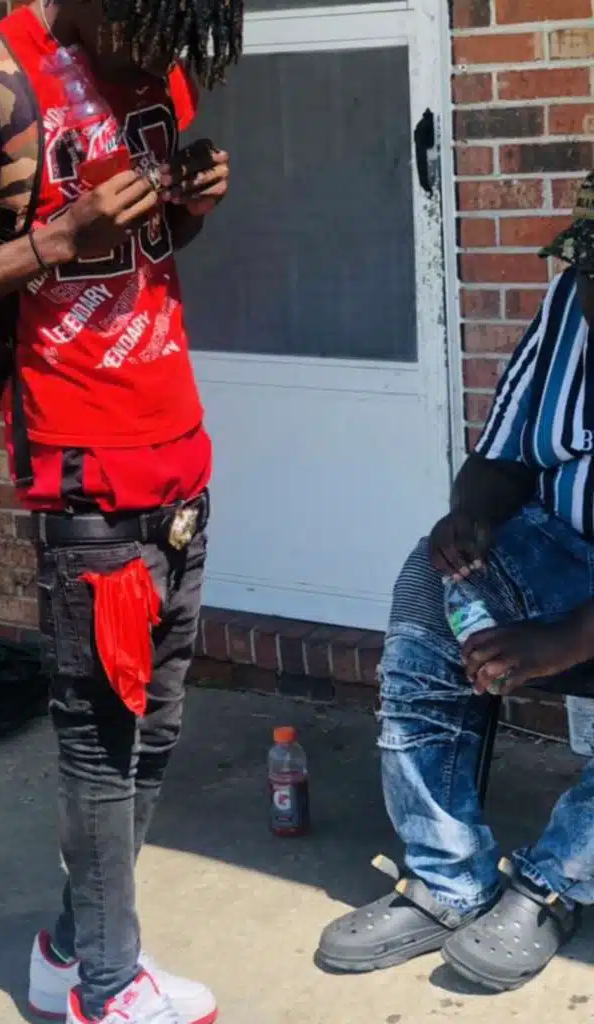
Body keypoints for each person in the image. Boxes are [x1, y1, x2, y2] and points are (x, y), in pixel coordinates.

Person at [0, 0, 242, 1020]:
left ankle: (73, 950)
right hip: (85, 471)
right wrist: (54, 239)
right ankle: (106, 990)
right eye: (146, 28)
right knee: (100, 744)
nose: (158, 58)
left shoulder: (158, 57)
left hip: (179, 451)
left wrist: (191, 205)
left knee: (153, 734)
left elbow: (141, 255)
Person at [317, 171, 594, 994]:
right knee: (428, 589)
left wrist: (563, 640)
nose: (589, 292)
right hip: (562, 546)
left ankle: (556, 882)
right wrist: (468, 517)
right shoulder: (570, 304)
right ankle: (447, 875)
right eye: (591, 268)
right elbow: (503, 453)